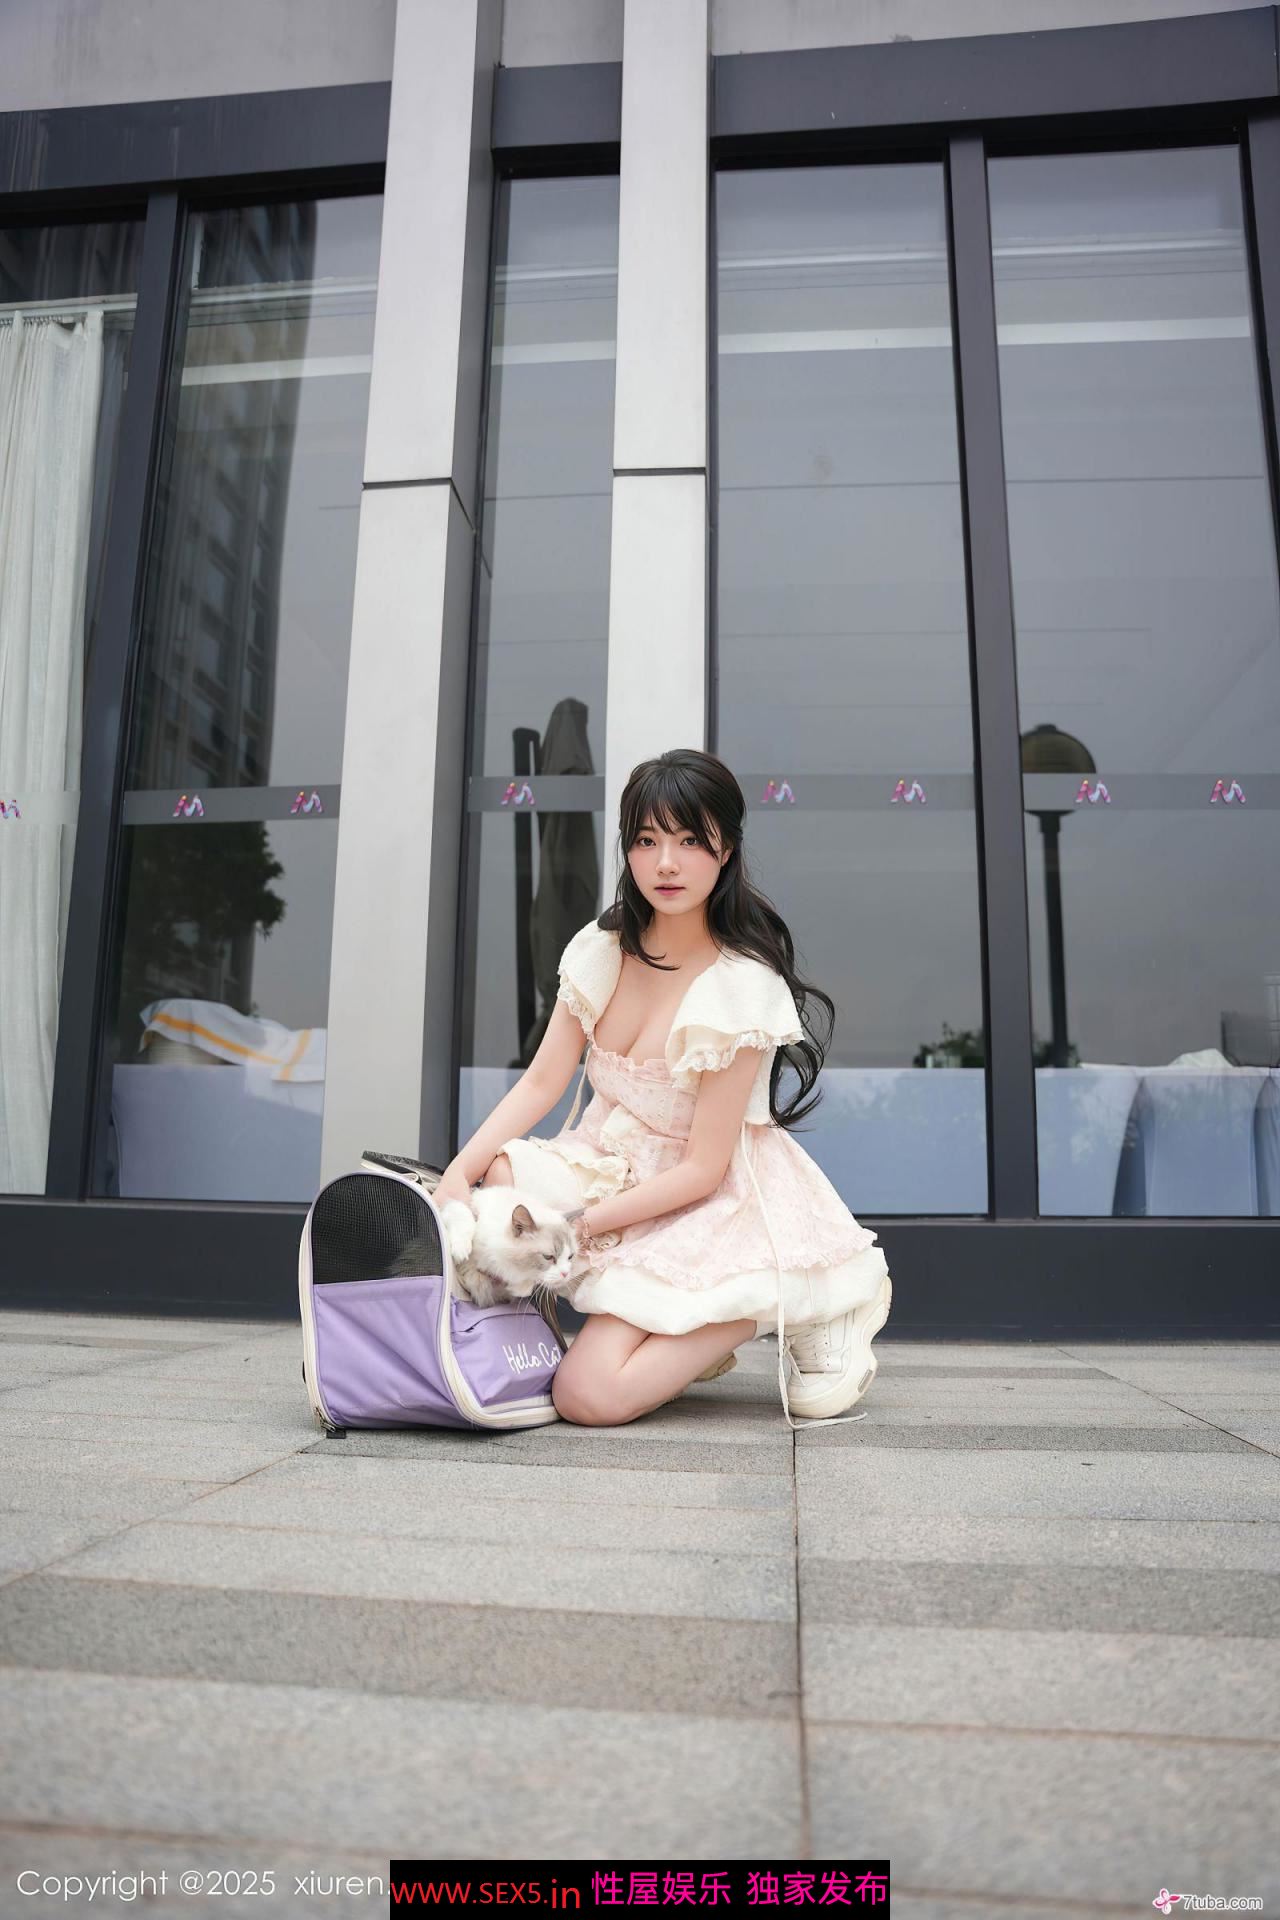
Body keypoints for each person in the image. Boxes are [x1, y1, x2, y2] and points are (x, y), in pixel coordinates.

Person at [434, 748, 892, 1428]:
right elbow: (541, 1082)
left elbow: (704, 1170)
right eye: (647, 841)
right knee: (503, 1176)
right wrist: (458, 1176)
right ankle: (675, 1329)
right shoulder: (603, 949)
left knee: (586, 1396)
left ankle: (798, 1302)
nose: (666, 864)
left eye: (689, 841)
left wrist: (579, 1228)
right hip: (609, 1164)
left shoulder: (741, 986)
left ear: (725, 849)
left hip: (705, 1195)